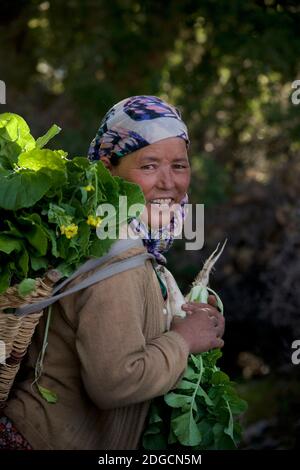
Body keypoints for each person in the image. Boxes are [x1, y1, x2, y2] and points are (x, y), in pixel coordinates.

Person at [2, 95, 225, 450]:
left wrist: (189, 326)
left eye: (179, 166)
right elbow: (115, 382)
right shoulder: (114, 256)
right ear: (108, 169)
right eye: (149, 166)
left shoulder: (112, 238)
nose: (169, 182)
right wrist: (184, 341)